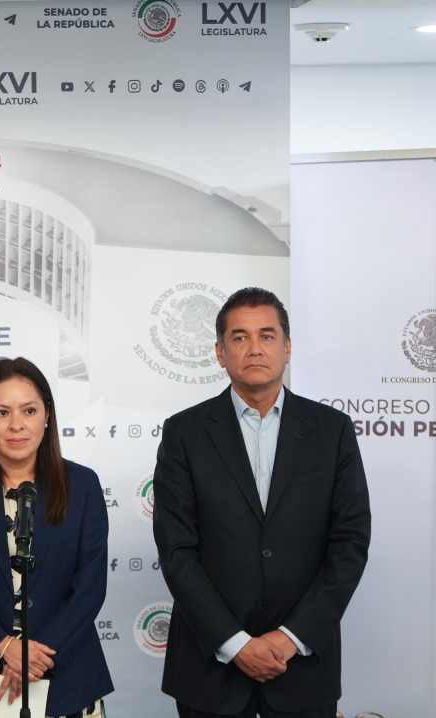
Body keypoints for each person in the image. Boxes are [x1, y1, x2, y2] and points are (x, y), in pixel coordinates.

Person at [153, 287, 371, 718]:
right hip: (209, 673)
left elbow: (349, 544)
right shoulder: (185, 433)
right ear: (219, 352)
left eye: (267, 336)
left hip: (303, 667)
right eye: (239, 337)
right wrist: (235, 644)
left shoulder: (332, 431)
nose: (254, 348)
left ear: (287, 347)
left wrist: (290, 637)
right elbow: (177, 551)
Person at [0, 357, 113, 718]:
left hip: (67, 672)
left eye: (28, 410)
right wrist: (4, 647)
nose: (16, 425)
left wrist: (35, 656)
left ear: (47, 416)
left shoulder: (83, 485)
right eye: (1, 413)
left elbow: (90, 587)